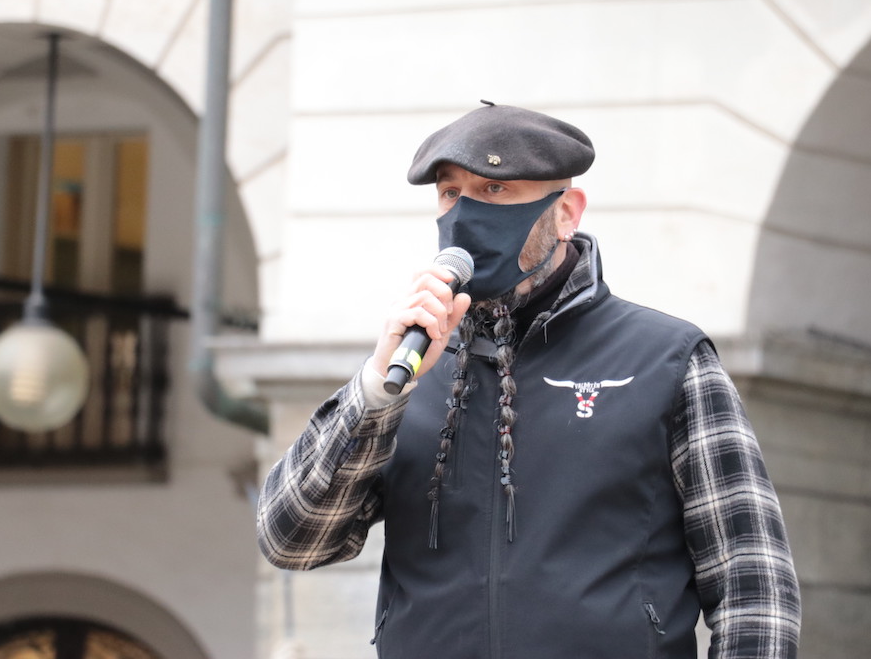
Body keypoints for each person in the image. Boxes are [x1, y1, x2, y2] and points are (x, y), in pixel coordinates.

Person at [256, 102, 801, 658]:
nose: (464, 214)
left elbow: (754, 589)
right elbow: (292, 541)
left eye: (494, 190)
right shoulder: (409, 371)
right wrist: (376, 391)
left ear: (565, 213)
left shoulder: (666, 359)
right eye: (450, 193)